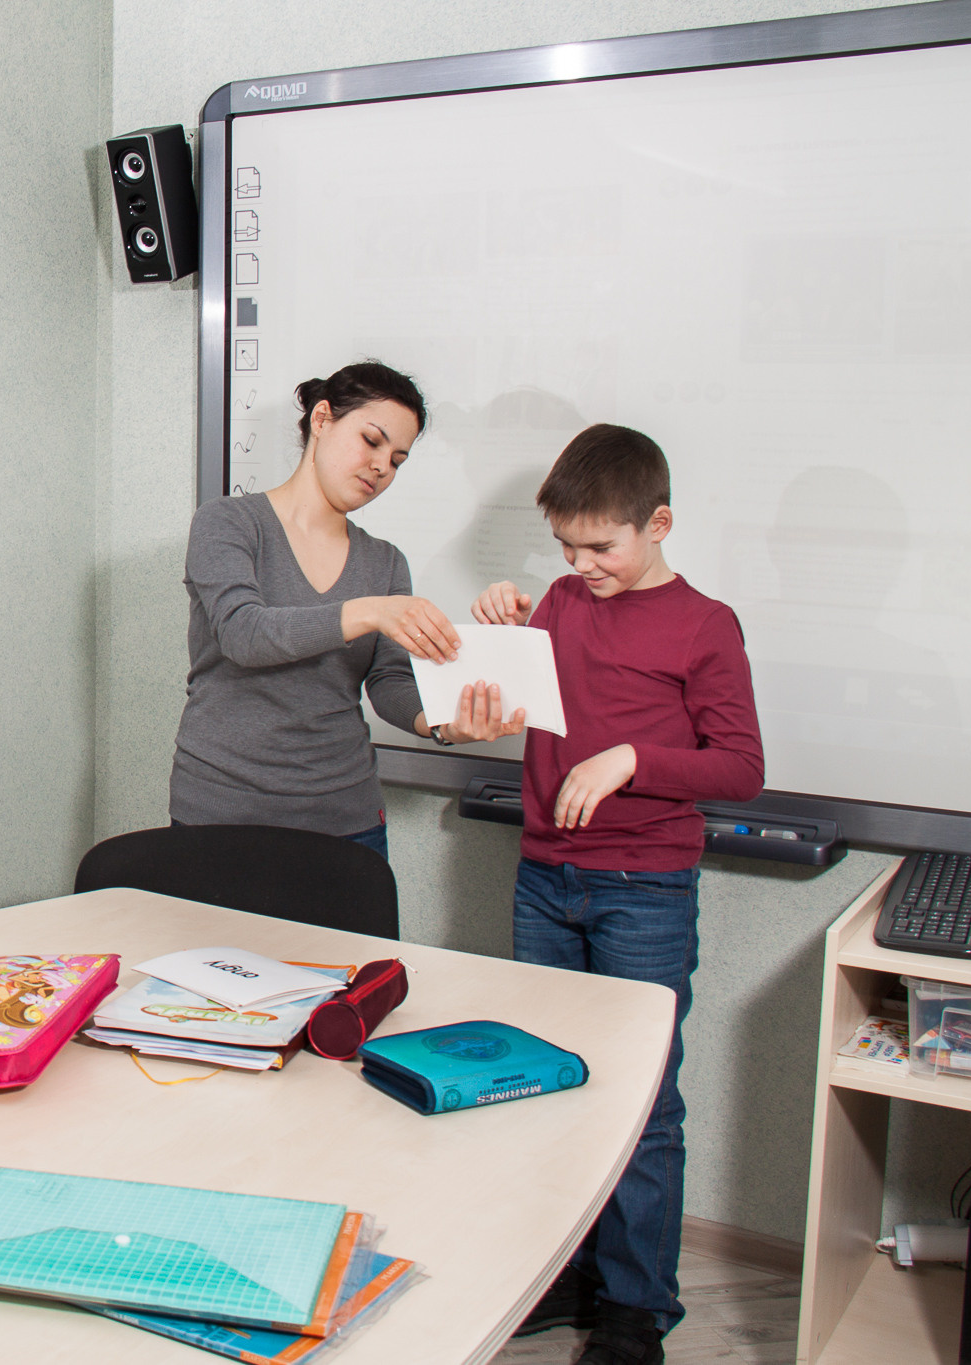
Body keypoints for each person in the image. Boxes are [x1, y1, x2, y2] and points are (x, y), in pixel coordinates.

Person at [472, 424, 763, 1365]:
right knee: (551, 1083)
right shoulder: (559, 601)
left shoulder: (705, 623)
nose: (581, 565)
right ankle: (564, 1275)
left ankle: (637, 1308)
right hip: (544, 877)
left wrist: (636, 757)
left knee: (645, 1103)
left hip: (645, 888)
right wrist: (495, 628)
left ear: (659, 523)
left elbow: (743, 768)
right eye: (567, 548)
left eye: (602, 547)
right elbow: (508, 693)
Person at [173, 361, 524, 855]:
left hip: (345, 816)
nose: (382, 466)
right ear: (322, 419)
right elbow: (243, 634)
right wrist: (369, 612)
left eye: (398, 459)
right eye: (372, 440)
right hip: (222, 810)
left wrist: (443, 724)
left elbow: (390, 683)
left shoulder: (384, 561)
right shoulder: (228, 523)